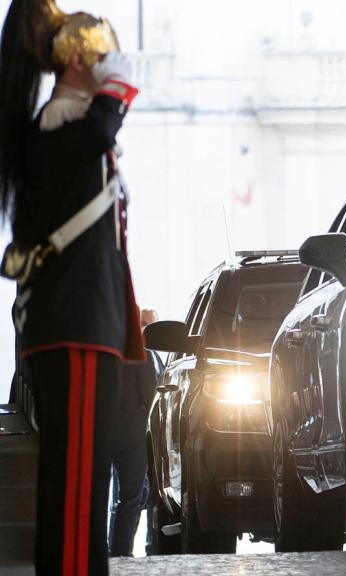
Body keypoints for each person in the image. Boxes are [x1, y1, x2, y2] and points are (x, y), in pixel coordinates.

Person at [0, 1, 144, 574]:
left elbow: (104, 126)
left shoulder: (67, 128)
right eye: (101, 55)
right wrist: (115, 83)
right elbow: (105, 120)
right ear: (81, 60)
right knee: (78, 485)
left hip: (81, 323)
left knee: (81, 479)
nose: (111, 62)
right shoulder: (63, 126)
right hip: (77, 326)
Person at [108, 308, 160, 557]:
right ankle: (121, 554)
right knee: (131, 499)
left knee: (105, 498)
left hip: (102, 433)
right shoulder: (140, 353)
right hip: (131, 436)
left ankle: (107, 550)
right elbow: (150, 396)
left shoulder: (102, 351)